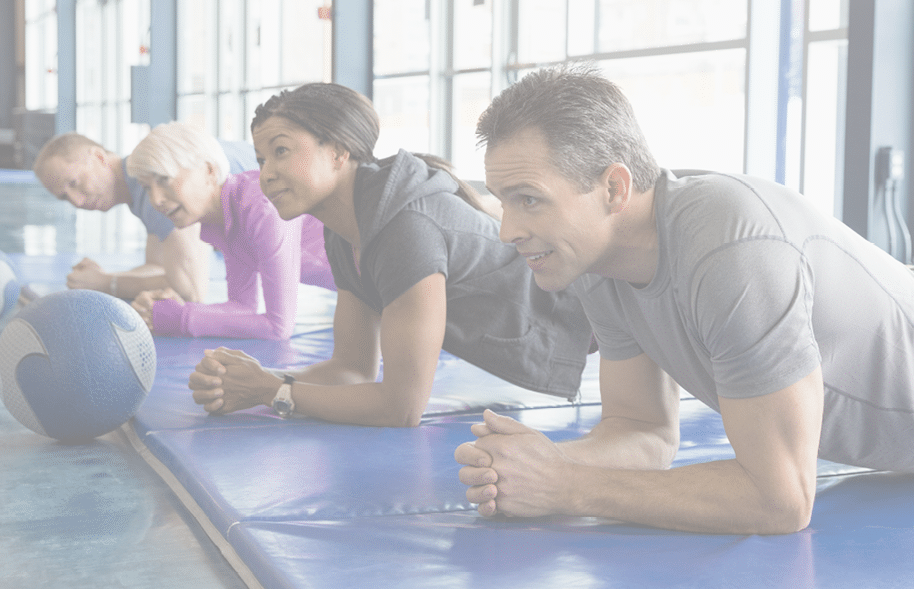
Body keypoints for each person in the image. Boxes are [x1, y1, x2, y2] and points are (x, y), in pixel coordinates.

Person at [454, 63, 914, 535]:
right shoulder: (596, 262)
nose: (509, 228)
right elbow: (643, 429)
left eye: (529, 200)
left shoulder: (730, 252)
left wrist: (570, 486)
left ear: (612, 187)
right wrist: (540, 463)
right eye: (502, 199)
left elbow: (778, 500)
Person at [186, 82, 592, 428]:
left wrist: (272, 391)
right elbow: (350, 369)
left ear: (339, 152)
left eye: (281, 151)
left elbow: (401, 406)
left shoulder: (405, 230)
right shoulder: (346, 232)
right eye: (260, 160)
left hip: (599, 326)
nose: (266, 173)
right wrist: (251, 381)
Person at [125, 122, 336, 340]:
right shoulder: (225, 220)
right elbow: (242, 306)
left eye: (164, 179)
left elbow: (278, 326)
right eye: (147, 187)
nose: (156, 199)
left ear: (209, 170)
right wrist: (175, 310)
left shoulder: (262, 207)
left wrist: (182, 318)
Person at [33, 131, 257, 303]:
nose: (77, 202)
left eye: (74, 183)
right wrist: (100, 277)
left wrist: (106, 283)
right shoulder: (140, 187)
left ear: (99, 157)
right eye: (64, 197)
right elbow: (158, 266)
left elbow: (191, 290)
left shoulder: (155, 178)